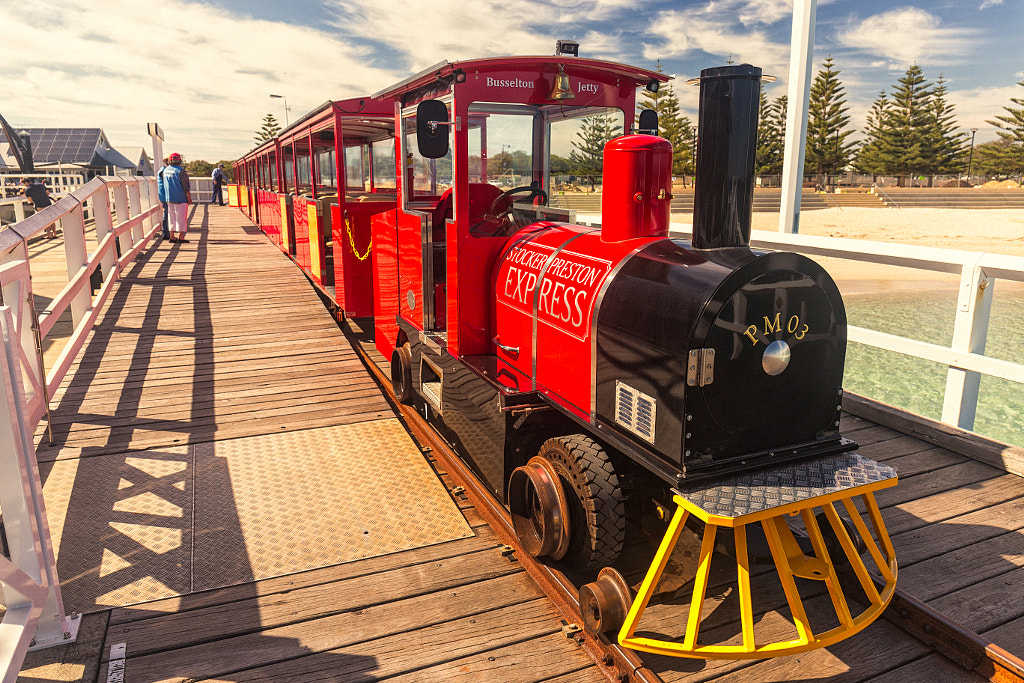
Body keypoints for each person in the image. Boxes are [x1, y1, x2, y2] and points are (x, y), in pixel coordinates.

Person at [161, 153, 191, 243]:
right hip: (180, 198)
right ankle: (181, 237)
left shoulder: (165, 170)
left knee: (171, 217)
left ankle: (172, 236)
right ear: (179, 160)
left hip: (169, 198)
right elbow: (186, 187)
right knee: (181, 217)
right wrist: (189, 198)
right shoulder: (180, 171)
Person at [157, 157, 171, 239]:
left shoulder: (162, 170)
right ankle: (165, 233)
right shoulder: (163, 171)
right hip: (165, 196)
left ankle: (166, 232)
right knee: (167, 213)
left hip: (163, 195)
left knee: (167, 213)